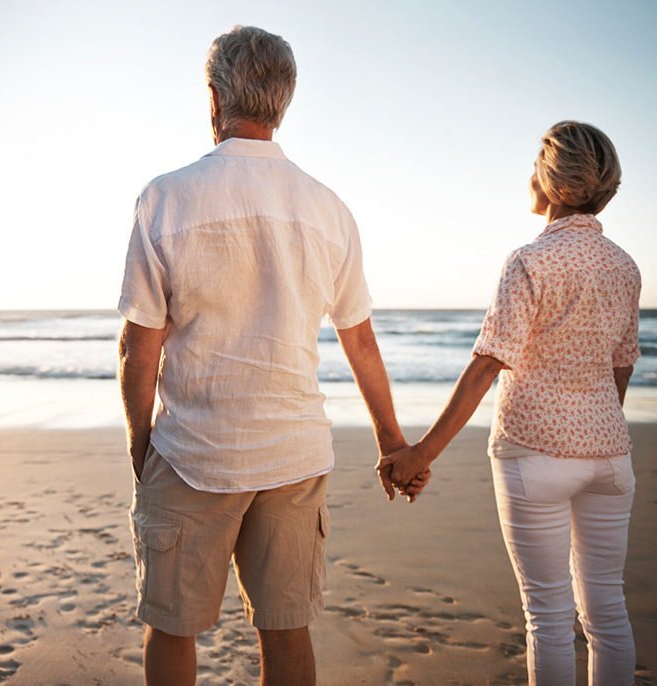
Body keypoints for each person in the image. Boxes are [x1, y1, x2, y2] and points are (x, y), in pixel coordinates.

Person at [118, 25, 426, 686]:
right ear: (282, 102)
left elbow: (138, 349)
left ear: (213, 99)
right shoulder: (329, 209)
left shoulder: (165, 198)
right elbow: (360, 340)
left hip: (192, 450)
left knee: (171, 627)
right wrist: (393, 441)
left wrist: (141, 443)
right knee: (287, 632)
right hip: (292, 454)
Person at [380, 121, 640, 685]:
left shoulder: (528, 260)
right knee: (607, 612)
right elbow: (621, 365)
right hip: (611, 460)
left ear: (551, 182)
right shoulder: (625, 266)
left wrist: (422, 452)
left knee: (547, 618)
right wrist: (594, 426)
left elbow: (487, 363)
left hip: (534, 457)